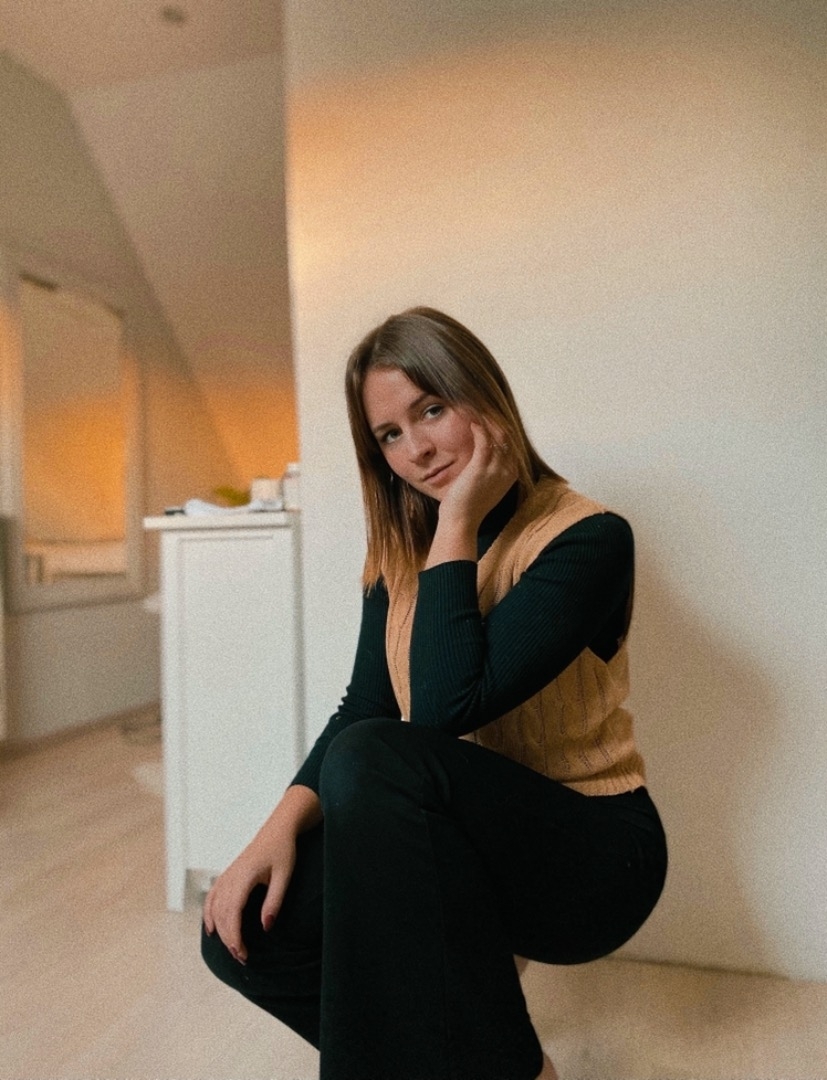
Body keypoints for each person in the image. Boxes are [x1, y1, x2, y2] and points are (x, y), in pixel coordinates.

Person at [201, 307, 668, 1080]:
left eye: (430, 410)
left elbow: (444, 711)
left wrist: (453, 526)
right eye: (388, 434)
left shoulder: (587, 538)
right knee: (243, 933)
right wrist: (269, 834)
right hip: (448, 842)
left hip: (591, 857)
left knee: (378, 758)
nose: (414, 449)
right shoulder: (397, 557)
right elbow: (366, 705)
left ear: (483, 396)